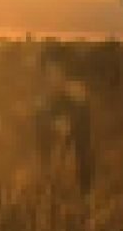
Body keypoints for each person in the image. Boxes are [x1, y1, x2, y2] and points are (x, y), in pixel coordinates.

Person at [33, 44, 94, 194]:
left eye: (56, 71)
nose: (52, 77)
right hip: (53, 174)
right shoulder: (43, 105)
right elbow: (41, 144)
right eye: (48, 73)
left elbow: (84, 144)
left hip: (74, 172)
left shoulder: (78, 100)